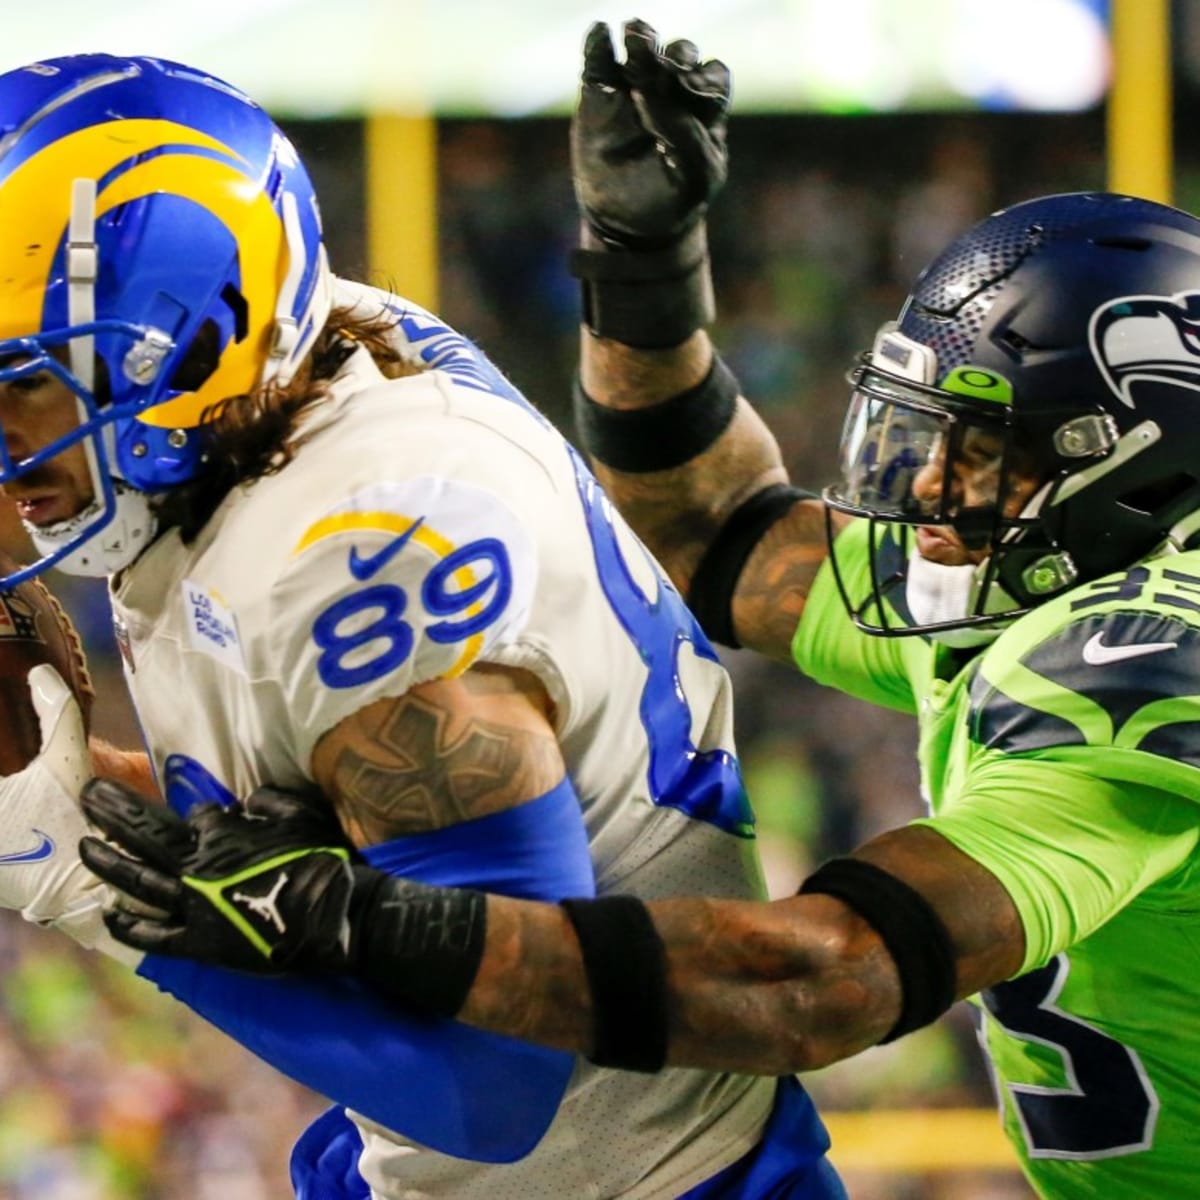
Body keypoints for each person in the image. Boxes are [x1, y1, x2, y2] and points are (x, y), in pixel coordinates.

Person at [81, 19, 1200, 1200]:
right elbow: (713, 529)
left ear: (1134, 460)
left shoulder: (1149, 662)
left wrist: (366, 923)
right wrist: (643, 266)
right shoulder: (1043, 573)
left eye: (979, 453)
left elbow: (822, 982)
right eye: (928, 436)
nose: (926, 489)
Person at [0, 48, 846, 1200]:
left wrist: (73, 872)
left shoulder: (359, 559)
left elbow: (494, 1091)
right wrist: (94, 780)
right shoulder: (294, 364)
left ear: (191, 343)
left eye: (22, 382)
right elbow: (322, 815)